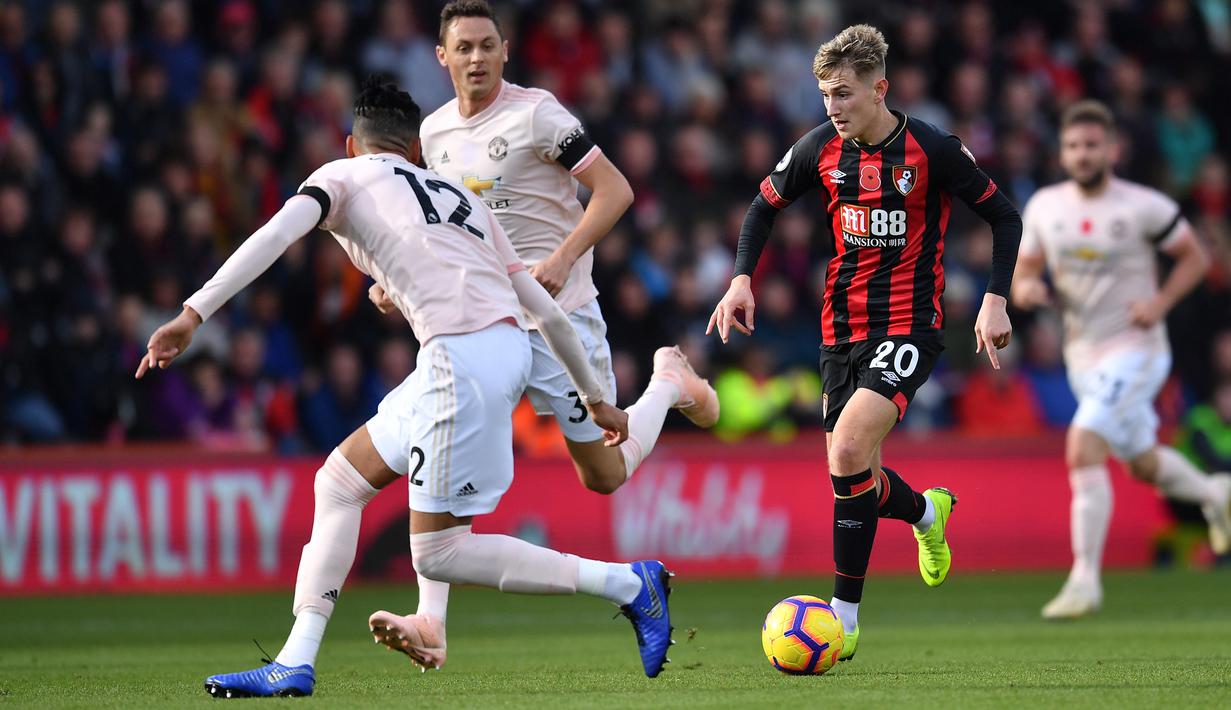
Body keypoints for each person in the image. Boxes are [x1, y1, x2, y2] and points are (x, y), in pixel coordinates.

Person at [136, 77, 676, 698]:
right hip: (488, 350)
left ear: (351, 144)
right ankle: (296, 657)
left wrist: (193, 314)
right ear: (414, 151)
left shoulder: (342, 176)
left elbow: (275, 236)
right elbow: (546, 314)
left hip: (459, 358)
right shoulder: (457, 196)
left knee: (438, 554)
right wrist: (595, 397)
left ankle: (633, 586)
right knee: (338, 482)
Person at [708, 24, 1020, 660]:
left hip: (910, 325)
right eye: (825, 94)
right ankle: (929, 515)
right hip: (839, 331)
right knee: (853, 473)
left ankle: (843, 619)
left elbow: (1004, 215)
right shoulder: (819, 148)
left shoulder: (932, 149)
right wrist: (741, 278)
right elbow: (762, 207)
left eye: (844, 94)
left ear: (880, 89)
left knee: (847, 449)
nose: (831, 107)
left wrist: (994, 297)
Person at [1012, 99, 1231, 619]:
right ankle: (1216, 492)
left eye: (1092, 145)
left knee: (1083, 444)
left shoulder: (1143, 207)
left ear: (1113, 149)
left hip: (1137, 351)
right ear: (1062, 153)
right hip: (1082, 355)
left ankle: (1085, 579)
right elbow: (1023, 274)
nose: (1083, 155)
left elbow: (1195, 257)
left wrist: (1159, 303)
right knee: (1141, 463)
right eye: (1073, 146)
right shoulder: (1045, 207)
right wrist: (1026, 293)